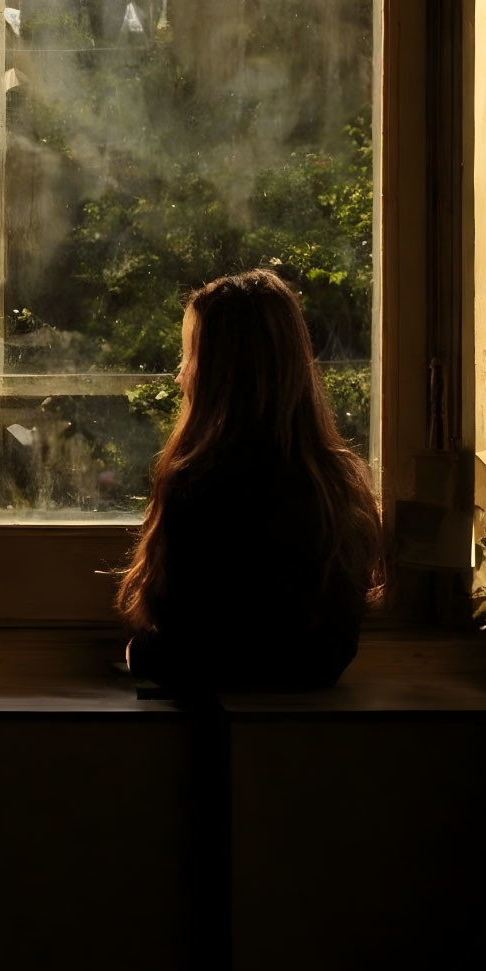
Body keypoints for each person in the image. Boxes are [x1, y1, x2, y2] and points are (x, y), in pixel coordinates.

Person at [117, 268, 384, 694]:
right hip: (321, 736)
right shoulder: (336, 490)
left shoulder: (198, 490)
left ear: (220, 375)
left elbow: (191, 650)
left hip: (215, 733)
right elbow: (328, 652)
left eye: (190, 356)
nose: (180, 375)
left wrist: (140, 653)